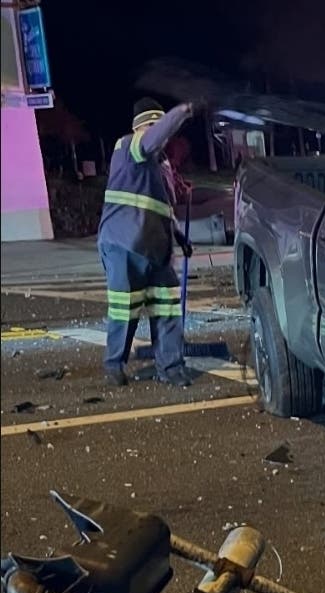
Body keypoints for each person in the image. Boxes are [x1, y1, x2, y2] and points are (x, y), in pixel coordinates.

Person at [98, 97, 199, 387]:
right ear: (144, 126)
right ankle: (114, 364)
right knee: (124, 310)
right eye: (156, 127)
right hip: (124, 244)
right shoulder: (129, 146)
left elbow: (163, 207)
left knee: (167, 310)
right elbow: (153, 137)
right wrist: (183, 110)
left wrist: (180, 238)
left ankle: (171, 366)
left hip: (156, 247)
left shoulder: (160, 164)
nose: (162, 136)